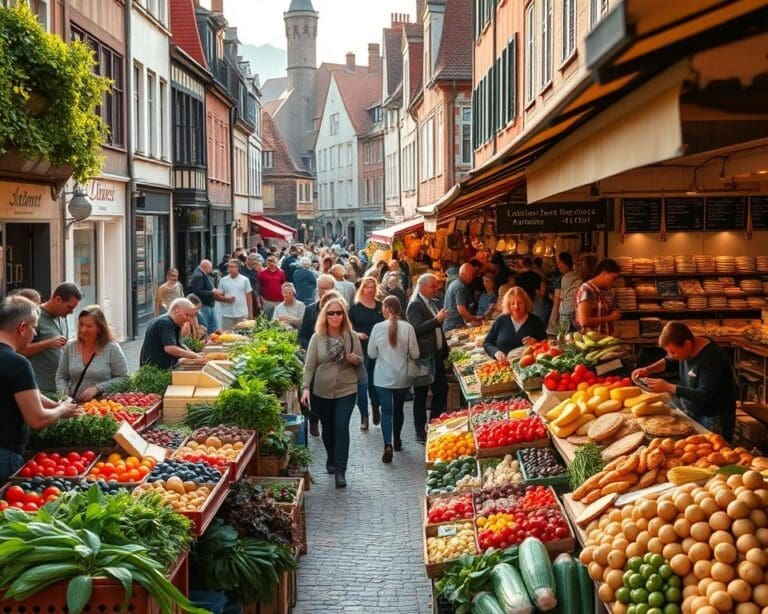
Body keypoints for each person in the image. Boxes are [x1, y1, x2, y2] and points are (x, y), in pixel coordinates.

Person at [0, 295, 78, 482]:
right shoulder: (18, 363)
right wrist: (61, 409)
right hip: (4, 456)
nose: (34, 333)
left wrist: (54, 405)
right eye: (34, 327)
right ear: (22, 327)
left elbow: (24, 393)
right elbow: (36, 419)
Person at [632, 321, 737, 441]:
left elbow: (704, 395)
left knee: (715, 455)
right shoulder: (687, 349)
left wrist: (668, 387)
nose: (671, 355)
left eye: (673, 352)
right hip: (694, 412)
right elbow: (669, 361)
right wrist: (648, 370)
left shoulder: (712, 359)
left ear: (687, 344)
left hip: (714, 419)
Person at [300, 297, 363, 489]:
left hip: (347, 387)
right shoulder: (317, 338)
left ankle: (340, 470)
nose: (335, 316)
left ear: (344, 315)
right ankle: (331, 457)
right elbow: (310, 365)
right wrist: (305, 388)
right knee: (328, 428)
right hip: (322, 390)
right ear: (324, 316)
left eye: (339, 312)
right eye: (331, 313)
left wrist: (354, 359)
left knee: (341, 425)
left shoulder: (351, 336)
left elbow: (361, 359)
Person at [368, 296, 419, 462]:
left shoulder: (377, 327)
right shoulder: (408, 328)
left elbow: (371, 353)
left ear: (388, 308)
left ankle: (387, 444)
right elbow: (416, 354)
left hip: (382, 377)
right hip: (402, 376)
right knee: (398, 409)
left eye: (383, 307)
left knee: (386, 411)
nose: (381, 310)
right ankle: (397, 439)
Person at [55, 305, 129, 401]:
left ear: (99, 328)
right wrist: (64, 396)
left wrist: (98, 388)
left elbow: (124, 378)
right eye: (81, 324)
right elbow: (61, 376)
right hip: (74, 406)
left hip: (104, 407)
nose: (83, 329)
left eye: (89, 326)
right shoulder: (71, 346)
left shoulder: (112, 348)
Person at [407, 274, 449, 441]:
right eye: (433, 286)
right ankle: (420, 431)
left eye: (436, 286)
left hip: (436, 355)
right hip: (424, 356)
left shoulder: (433, 302)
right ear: (423, 286)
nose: (436, 289)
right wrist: (437, 320)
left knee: (441, 389)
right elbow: (415, 329)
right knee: (421, 393)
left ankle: (434, 423)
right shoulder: (415, 305)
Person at [21, 282, 82, 396]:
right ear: (58, 299)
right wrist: (48, 343)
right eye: (69, 307)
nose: (71, 312)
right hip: (38, 388)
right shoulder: (34, 317)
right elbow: (20, 351)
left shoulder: (62, 318)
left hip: (59, 387)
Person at [349, 276, 384, 430]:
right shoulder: (355, 308)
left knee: (376, 381)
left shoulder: (380, 306)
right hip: (361, 349)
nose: (370, 289)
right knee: (362, 384)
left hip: (379, 349)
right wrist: (357, 334)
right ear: (362, 288)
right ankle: (364, 414)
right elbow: (347, 329)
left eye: (372, 287)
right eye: (367, 286)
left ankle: (376, 405)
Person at [484, 287, 547, 360]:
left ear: (525, 304)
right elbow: (487, 343)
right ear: (508, 305)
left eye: (519, 303)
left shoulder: (536, 322)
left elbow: (546, 346)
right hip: (502, 367)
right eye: (512, 303)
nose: (516, 307)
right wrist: (496, 352)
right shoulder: (501, 320)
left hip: (528, 368)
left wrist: (536, 344)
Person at [140, 297, 203, 369]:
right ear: (177, 309)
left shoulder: (174, 324)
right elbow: (170, 348)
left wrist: (193, 354)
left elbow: (178, 345)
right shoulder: (165, 322)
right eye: (187, 315)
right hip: (156, 370)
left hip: (163, 368)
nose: (188, 319)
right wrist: (194, 356)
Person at [576, 258, 621, 335]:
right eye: (613, 278)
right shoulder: (587, 289)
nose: (613, 282)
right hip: (593, 342)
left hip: (602, 340)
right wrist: (610, 317)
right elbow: (583, 321)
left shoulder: (598, 290)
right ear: (604, 273)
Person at [443, 263, 481, 332]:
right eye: (472, 275)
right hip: (453, 324)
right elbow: (461, 310)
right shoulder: (460, 286)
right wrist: (473, 320)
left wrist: (472, 317)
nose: (472, 278)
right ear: (468, 274)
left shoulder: (455, 283)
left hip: (451, 323)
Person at [548, 252, 580, 333]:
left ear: (566, 262)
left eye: (559, 262)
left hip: (565, 313)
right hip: (577, 312)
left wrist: (554, 318)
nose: (558, 266)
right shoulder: (579, 276)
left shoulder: (561, 280)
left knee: (565, 337)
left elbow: (557, 301)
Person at [218, 259, 253, 330]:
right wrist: (226, 299)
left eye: (233, 267)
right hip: (227, 314)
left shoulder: (245, 280)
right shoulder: (223, 280)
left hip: (242, 313)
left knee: (243, 336)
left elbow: (249, 297)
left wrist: (250, 313)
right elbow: (219, 296)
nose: (231, 269)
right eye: (229, 267)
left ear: (238, 267)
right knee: (227, 336)